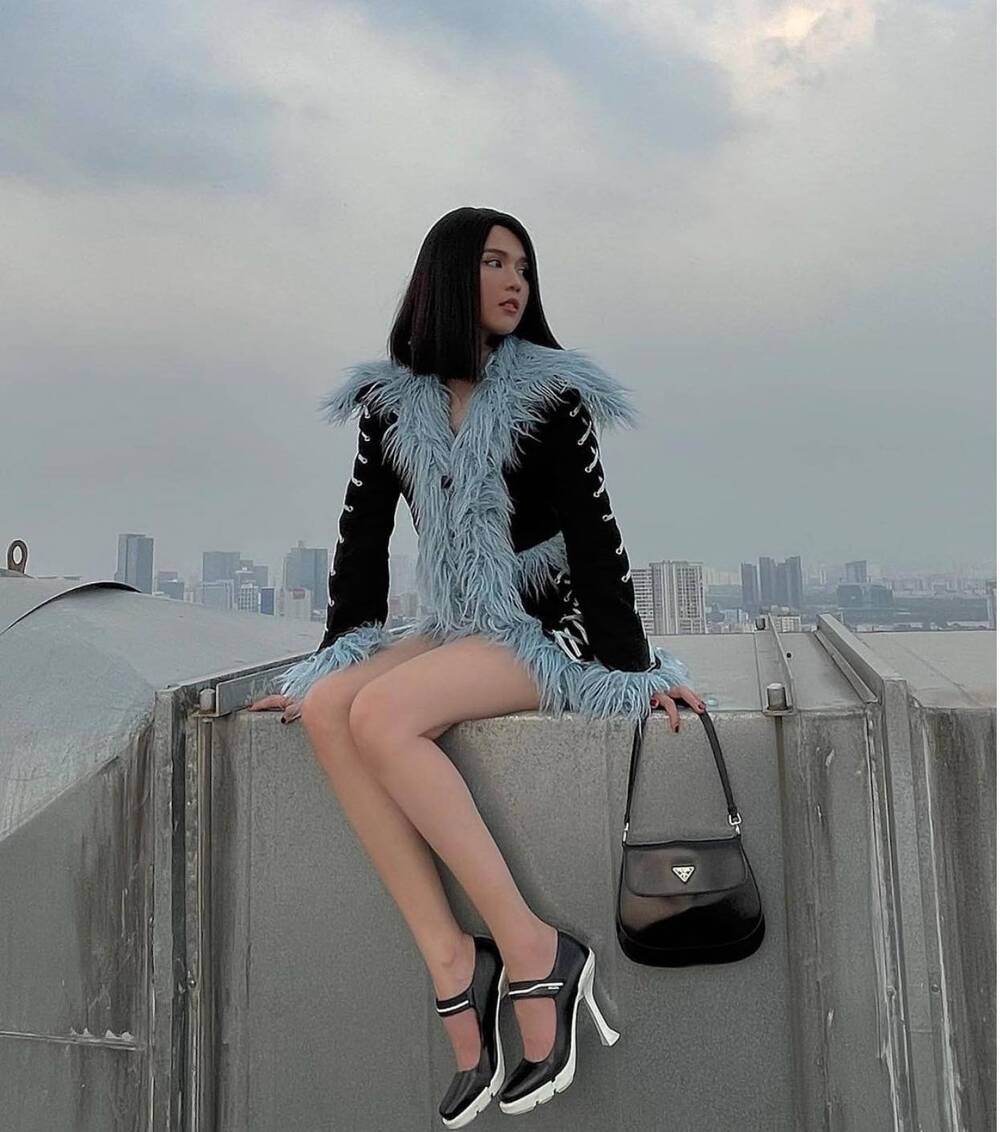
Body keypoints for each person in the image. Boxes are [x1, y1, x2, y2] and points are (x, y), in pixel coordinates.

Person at [250, 206, 707, 1126]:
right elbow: (360, 541)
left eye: (524, 269)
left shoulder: (550, 391)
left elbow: (597, 535)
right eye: (495, 263)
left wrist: (636, 669)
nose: (514, 283)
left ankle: (536, 951)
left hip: (549, 627)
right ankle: (453, 958)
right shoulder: (394, 403)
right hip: (462, 624)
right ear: (449, 275)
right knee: (336, 707)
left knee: (384, 718)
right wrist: (331, 660)